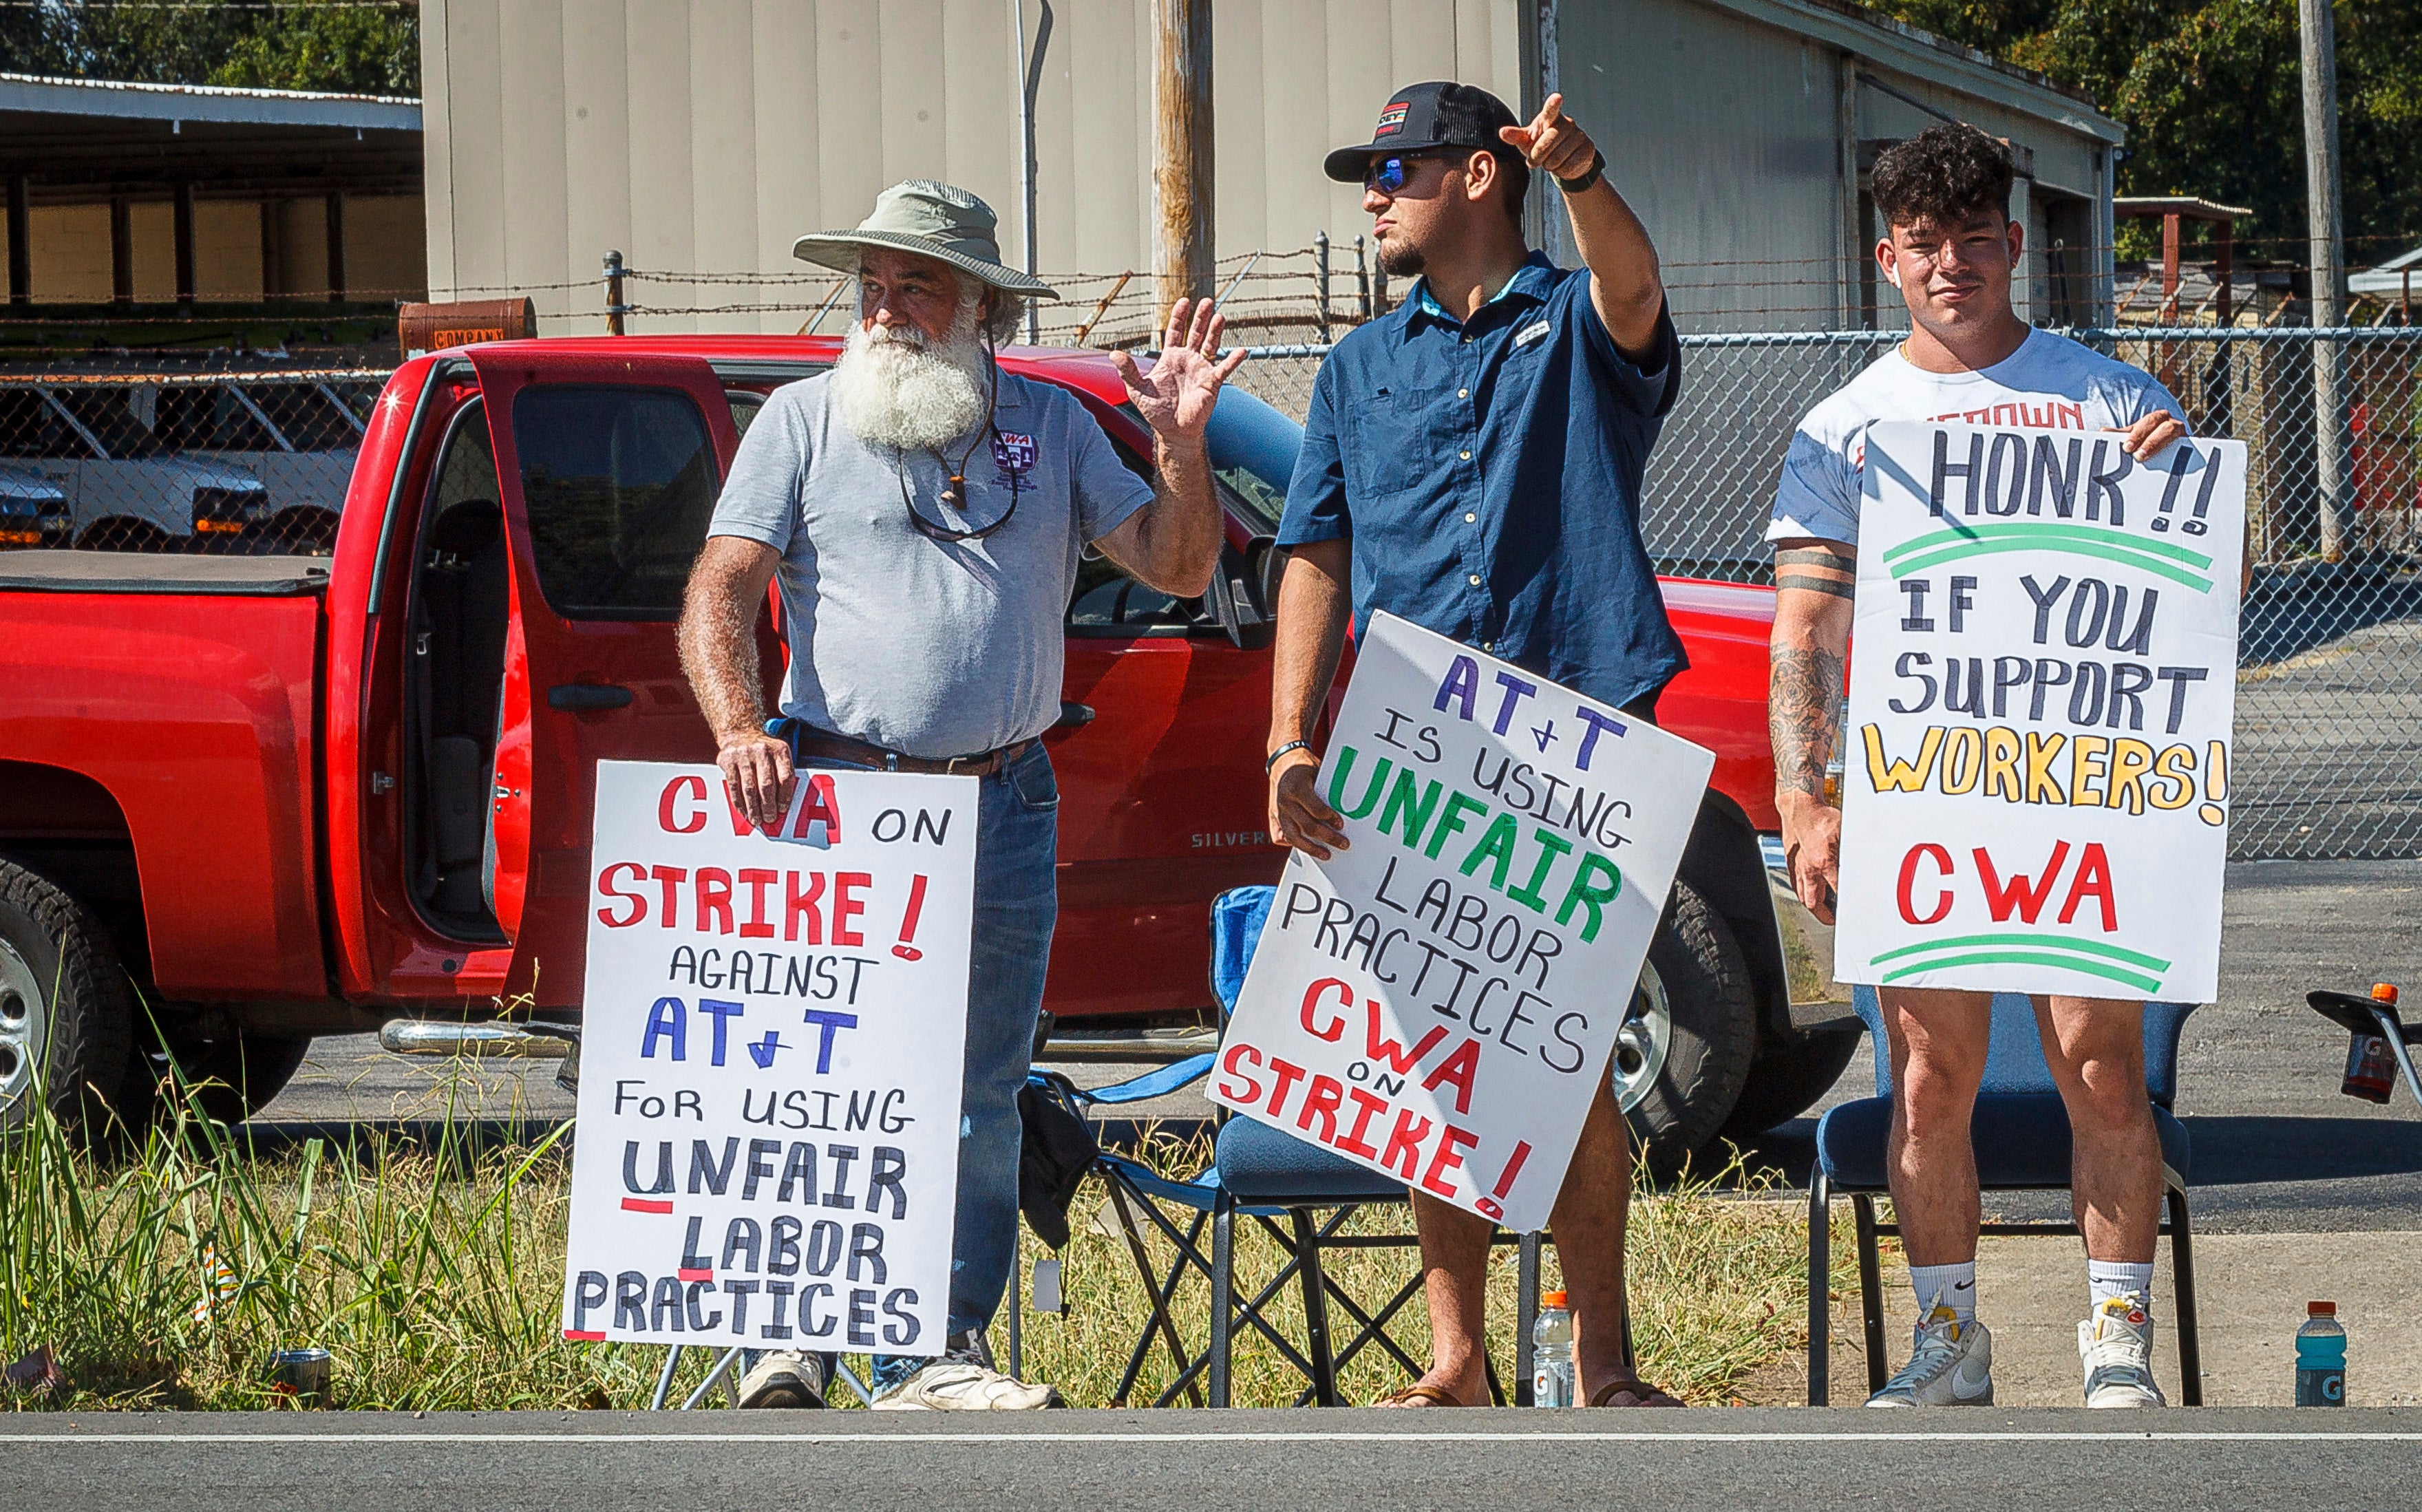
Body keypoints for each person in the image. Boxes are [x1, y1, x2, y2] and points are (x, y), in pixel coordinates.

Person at [679, 179, 1241, 1410]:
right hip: (836, 796)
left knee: (980, 1082)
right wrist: (737, 727)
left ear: (978, 303)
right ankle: (791, 1339)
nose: (883, 309)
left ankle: (935, 1349)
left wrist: (1184, 444)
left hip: (1004, 801)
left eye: (916, 284)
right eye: (873, 284)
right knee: (817, 1077)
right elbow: (721, 588)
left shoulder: (1051, 423)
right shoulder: (802, 422)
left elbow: (1184, 564)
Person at [1266, 81, 1687, 1409]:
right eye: (1369, 175)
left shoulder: (1570, 320)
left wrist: (1584, 173)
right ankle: (1456, 1356)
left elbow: (1637, 293)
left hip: (1572, 723)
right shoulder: (1353, 368)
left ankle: (1604, 1363)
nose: (1374, 194)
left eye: (1398, 168)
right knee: (1424, 1059)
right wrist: (1288, 739)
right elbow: (1314, 557)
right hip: (1408, 743)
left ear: (1481, 177)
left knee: (1557, 1051)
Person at [1765, 123, 2191, 1409]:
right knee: (1929, 1073)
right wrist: (1806, 789)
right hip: (1923, 788)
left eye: (1975, 237)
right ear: (1887, 257)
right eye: (1924, 242)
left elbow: (2188, 590)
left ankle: (2117, 1338)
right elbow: (1806, 624)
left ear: (2014, 244)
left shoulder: (2113, 399)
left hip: (2079, 786)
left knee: (2101, 1062)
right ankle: (1951, 1340)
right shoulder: (1848, 426)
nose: (1953, 262)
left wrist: (2181, 491)